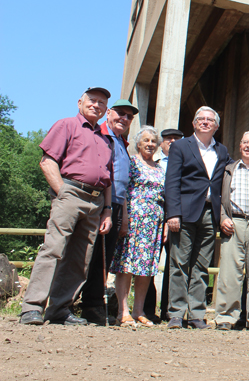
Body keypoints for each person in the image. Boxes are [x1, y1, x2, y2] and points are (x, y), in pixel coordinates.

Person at [20, 87, 114, 326]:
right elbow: (47, 161)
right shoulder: (66, 125)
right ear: (80, 102)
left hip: (96, 201)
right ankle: (32, 308)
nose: (96, 105)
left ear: (106, 109)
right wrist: (62, 192)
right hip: (70, 192)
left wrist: (107, 209)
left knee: (80, 258)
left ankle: (60, 309)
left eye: (101, 103)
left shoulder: (105, 140)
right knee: (53, 249)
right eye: (92, 100)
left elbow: (108, 179)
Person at [164, 106, 231, 329]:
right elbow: (172, 181)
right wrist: (172, 213)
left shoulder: (222, 151)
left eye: (210, 119)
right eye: (200, 119)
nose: (205, 122)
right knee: (179, 264)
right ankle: (176, 313)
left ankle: (196, 314)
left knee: (202, 267)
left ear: (217, 126)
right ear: (193, 124)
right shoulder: (181, 146)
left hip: (210, 214)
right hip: (184, 213)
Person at [79, 98, 138, 325]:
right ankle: (79, 303)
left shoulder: (122, 142)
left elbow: (123, 182)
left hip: (115, 205)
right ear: (109, 113)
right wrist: (106, 207)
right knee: (88, 255)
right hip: (99, 203)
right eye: (120, 113)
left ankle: (93, 306)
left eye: (129, 116)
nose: (124, 118)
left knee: (104, 256)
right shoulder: (101, 135)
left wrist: (122, 216)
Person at [109, 126, 166, 327]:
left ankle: (138, 311)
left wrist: (164, 223)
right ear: (138, 144)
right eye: (146, 141)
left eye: (153, 141)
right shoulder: (132, 162)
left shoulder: (160, 169)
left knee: (146, 268)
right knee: (126, 266)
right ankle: (122, 311)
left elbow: (164, 197)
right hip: (133, 220)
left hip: (153, 224)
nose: (150, 144)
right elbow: (122, 190)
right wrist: (123, 218)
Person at [215, 131, 249, 331]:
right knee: (229, 273)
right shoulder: (229, 169)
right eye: (245, 142)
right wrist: (222, 217)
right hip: (234, 222)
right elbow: (219, 197)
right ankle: (226, 317)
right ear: (239, 146)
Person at [143, 128, 184, 322]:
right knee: (149, 263)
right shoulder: (155, 164)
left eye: (177, 139)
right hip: (154, 219)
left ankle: (170, 310)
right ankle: (147, 309)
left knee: (174, 266)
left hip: (177, 220)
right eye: (168, 139)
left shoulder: (186, 166)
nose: (173, 141)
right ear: (162, 144)